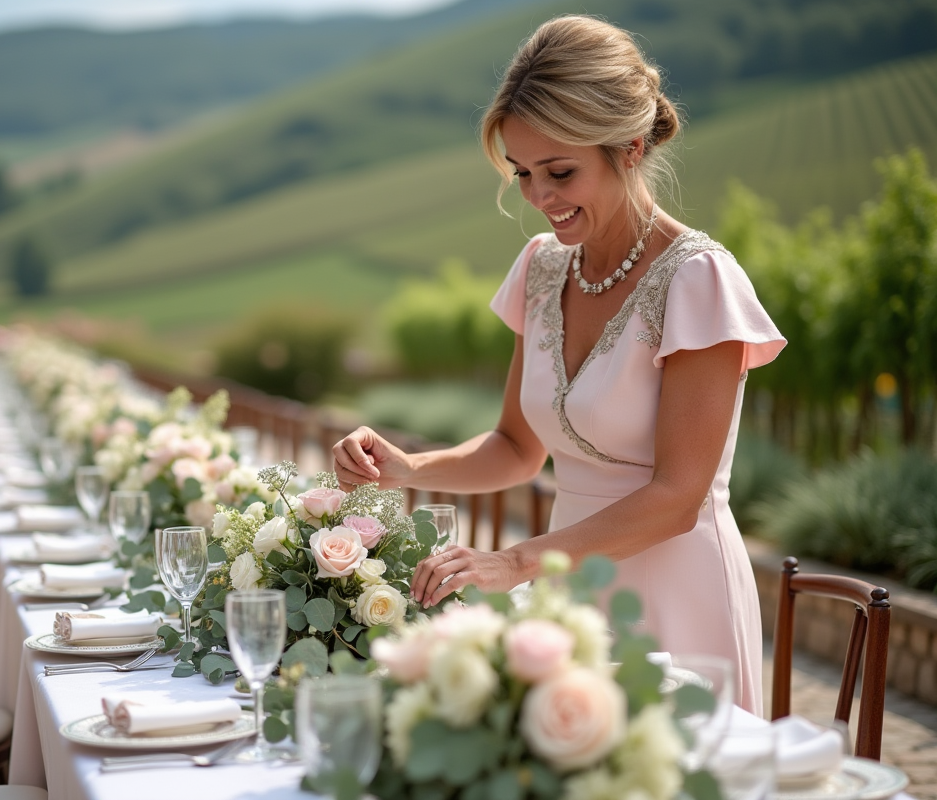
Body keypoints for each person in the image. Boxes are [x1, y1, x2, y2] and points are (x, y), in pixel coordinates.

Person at [332, 15, 784, 714]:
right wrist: (408, 468)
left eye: (561, 171)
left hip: (676, 593)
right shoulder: (541, 271)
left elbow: (677, 496)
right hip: (567, 592)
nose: (540, 198)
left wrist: (515, 561)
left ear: (629, 148)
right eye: (523, 174)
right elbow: (516, 448)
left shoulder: (698, 281)